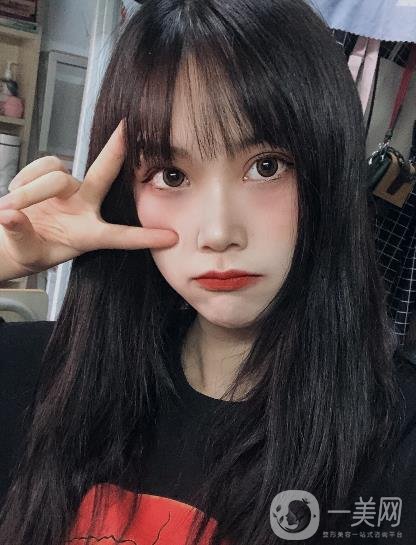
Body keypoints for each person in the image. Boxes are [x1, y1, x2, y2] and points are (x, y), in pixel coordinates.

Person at [0, 1, 415, 544]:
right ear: (127, 195)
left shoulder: (397, 440)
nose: (218, 232)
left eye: (266, 166)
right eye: (171, 175)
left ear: (329, 174)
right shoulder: (39, 377)